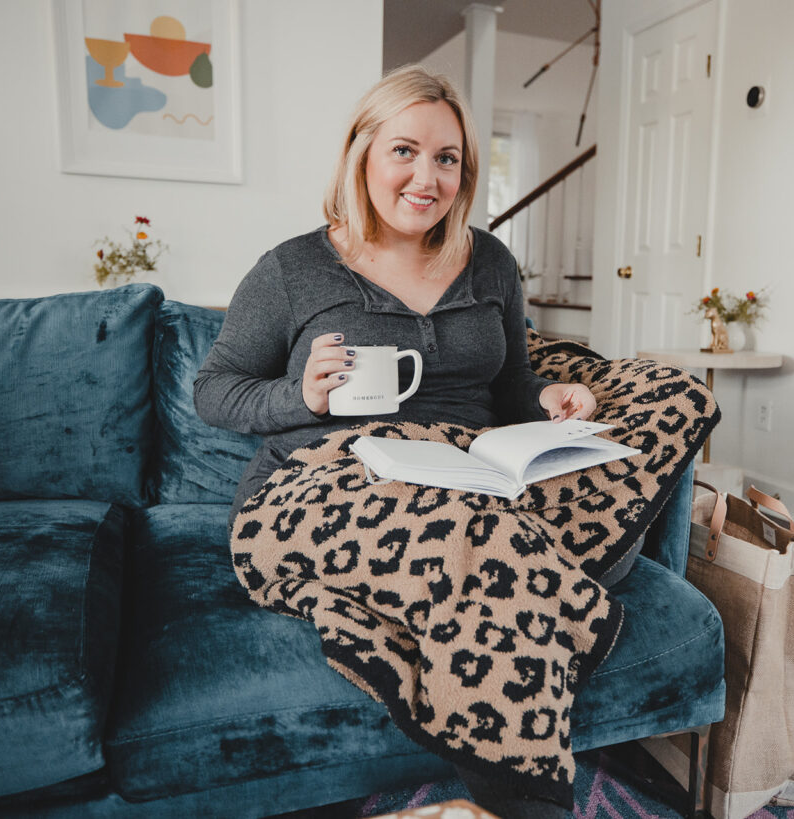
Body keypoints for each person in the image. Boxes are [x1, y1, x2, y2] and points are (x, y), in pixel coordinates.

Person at [194, 64, 595, 818]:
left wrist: (548, 399)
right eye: (405, 151)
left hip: (459, 474)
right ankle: (530, 802)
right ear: (363, 154)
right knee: (488, 544)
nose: (427, 176)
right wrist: (300, 394)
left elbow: (512, 389)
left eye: (448, 159)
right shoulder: (292, 269)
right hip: (320, 482)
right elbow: (212, 390)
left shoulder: (491, 263)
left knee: (514, 515)